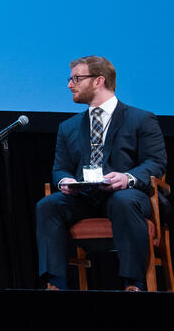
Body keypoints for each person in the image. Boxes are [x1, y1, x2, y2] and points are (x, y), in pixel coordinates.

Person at [35, 56, 166, 290]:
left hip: (127, 195)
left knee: (123, 201)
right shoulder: (68, 127)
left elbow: (155, 162)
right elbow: (60, 167)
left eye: (76, 78)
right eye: (70, 79)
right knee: (48, 205)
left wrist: (127, 178)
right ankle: (55, 284)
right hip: (85, 197)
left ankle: (133, 284)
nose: (69, 85)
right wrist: (65, 180)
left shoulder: (141, 119)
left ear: (98, 81)